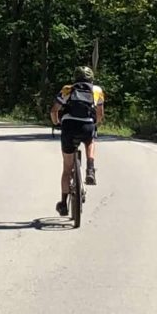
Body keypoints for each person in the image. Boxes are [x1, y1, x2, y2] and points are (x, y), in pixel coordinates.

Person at [50, 65, 102, 216]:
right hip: (87, 125)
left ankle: (63, 203)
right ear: (91, 78)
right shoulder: (97, 91)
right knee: (90, 141)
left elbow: (54, 110)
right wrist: (94, 124)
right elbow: (99, 114)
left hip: (69, 127)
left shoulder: (67, 89)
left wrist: (56, 123)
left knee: (67, 169)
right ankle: (90, 169)